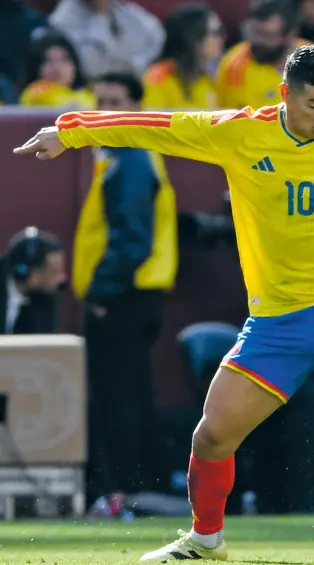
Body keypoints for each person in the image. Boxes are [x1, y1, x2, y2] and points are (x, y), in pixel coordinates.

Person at [14, 44, 314, 562]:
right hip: (275, 323)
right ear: (285, 94)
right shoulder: (240, 133)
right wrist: (69, 131)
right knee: (211, 437)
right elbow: (153, 126)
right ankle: (205, 540)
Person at [72, 72, 178, 510]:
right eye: (99, 101)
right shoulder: (126, 153)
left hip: (123, 297)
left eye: (115, 101)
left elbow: (132, 240)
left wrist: (101, 291)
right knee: (130, 392)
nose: (105, 110)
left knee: (116, 398)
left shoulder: (129, 157)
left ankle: (124, 488)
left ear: (137, 105)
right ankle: (140, 486)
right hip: (133, 295)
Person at [0, 226, 66, 335]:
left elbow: (43, 340)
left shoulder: (46, 299)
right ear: (24, 271)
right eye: (53, 271)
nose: (61, 278)